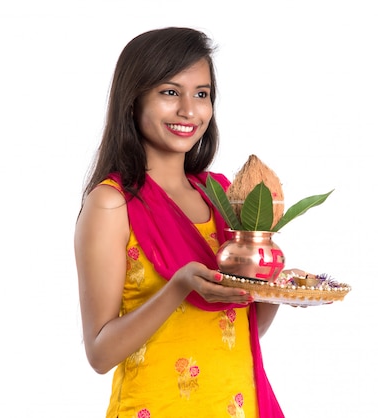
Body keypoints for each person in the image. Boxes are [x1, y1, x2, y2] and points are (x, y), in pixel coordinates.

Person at [74, 27, 285, 417]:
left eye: (201, 94)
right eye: (170, 92)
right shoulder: (112, 203)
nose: (189, 110)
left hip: (237, 404)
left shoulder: (222, 195)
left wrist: (276, 286)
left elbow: (238, 330)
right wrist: (177, 288)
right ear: (133, 100)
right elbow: (100, 354)